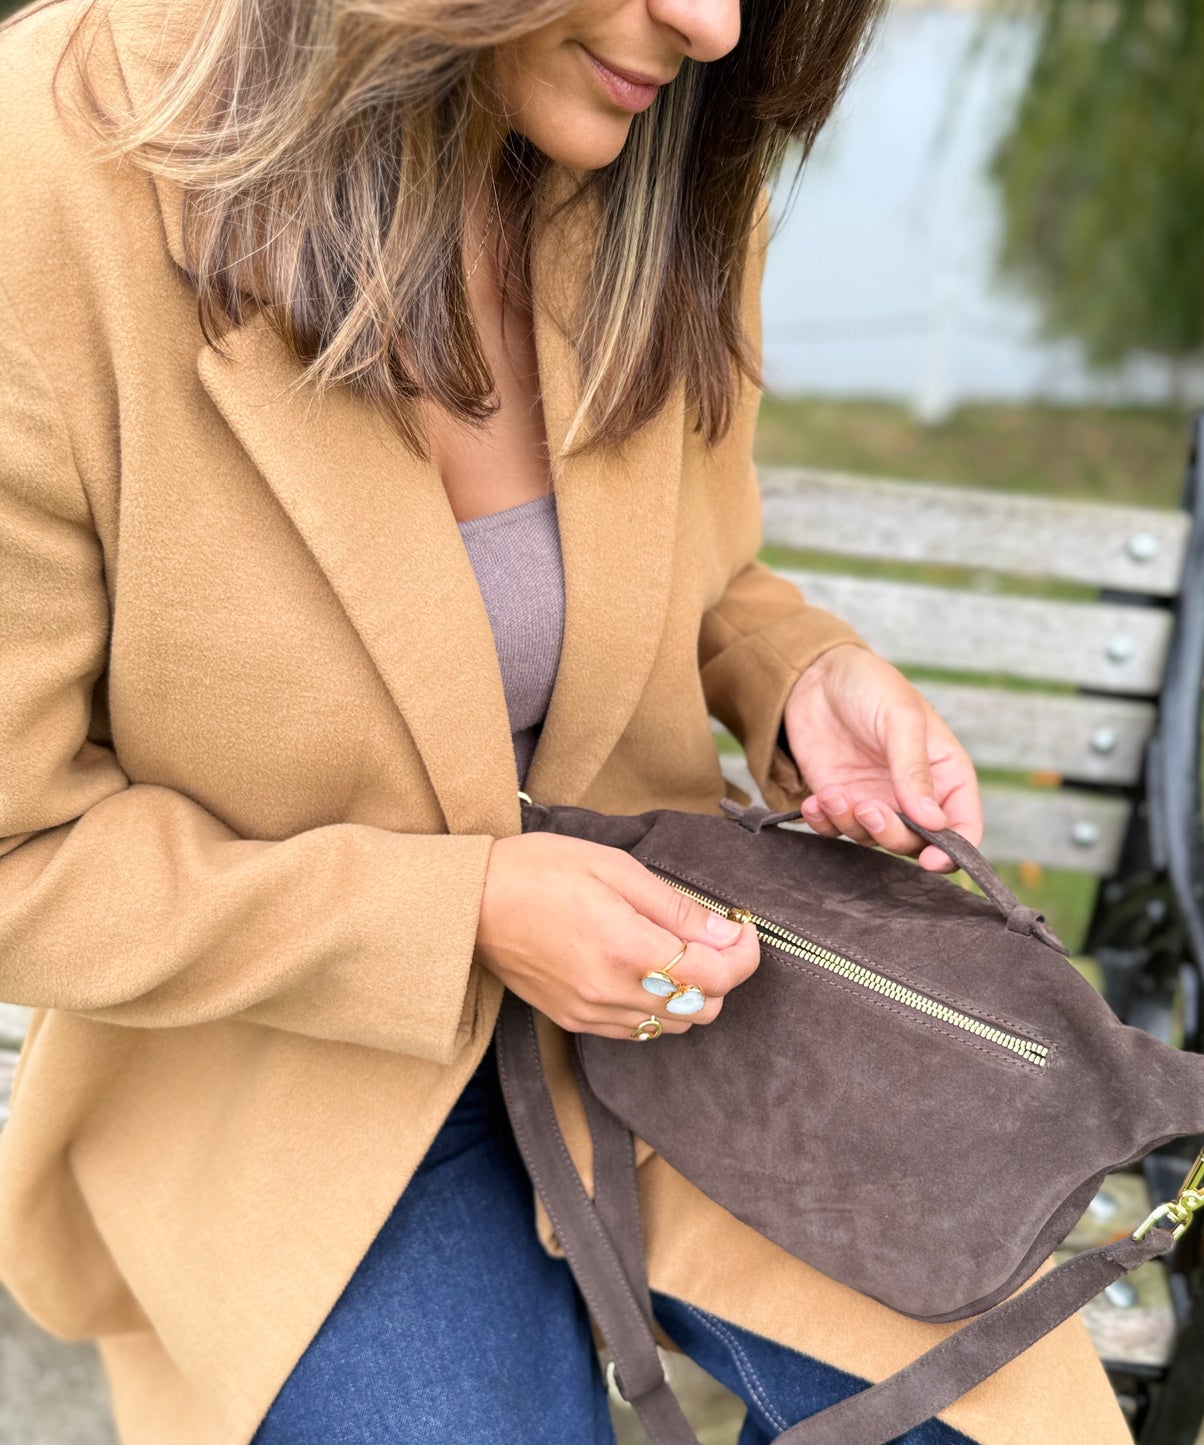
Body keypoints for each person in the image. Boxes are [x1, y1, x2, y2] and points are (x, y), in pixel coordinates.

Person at [0, 0, 1133, 1440]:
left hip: (699, 1011)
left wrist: (791, 672)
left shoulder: (662, 156)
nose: (714, 27)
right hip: (278, 1075)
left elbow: (701, 566)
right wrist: (459, 908)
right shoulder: (45, 173)